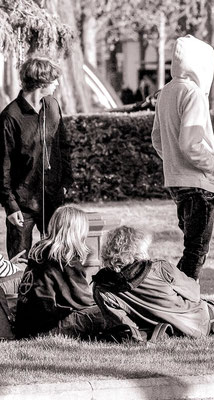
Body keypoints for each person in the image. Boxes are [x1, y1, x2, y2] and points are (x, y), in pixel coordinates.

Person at [92, 226, 214, 341]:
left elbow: (122, 325)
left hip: (170, 331)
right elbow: (194, 292)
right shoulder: (159, 268)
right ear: (137, 248)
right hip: (201, 317)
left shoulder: (102, 287)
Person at [151, 35, 214, 280]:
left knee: (191, 246)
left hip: (176, 181)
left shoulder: (166, 92)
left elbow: (157, 139)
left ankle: (178, 294)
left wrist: (173, 163)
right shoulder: (192, 92)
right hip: (198, 182)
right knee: (197, 250)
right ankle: (182, 298)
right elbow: (191, 143)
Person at [0, 57, 73, 259]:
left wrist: (67, 181)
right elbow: (2, 164)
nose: (57, 84)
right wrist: (10, 205)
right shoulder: (10, 117)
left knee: (57, 258)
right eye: (54, 80)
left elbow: (63, 145)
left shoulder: (53, 106)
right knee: (20, 262)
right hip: (22, 203)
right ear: (41, 83)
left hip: (53, 197)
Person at [13, 205, 108, 339]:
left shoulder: (40, 250)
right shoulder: (65, 261)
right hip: (45, 329)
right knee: (106, 311)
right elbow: (84, 302)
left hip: (25, 326)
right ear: (77, 231)